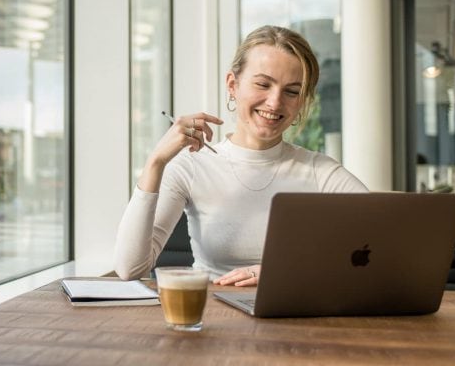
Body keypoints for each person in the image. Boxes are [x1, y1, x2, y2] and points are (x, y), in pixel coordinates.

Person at [114, 25, 367, 286]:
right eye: (263, 84)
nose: (275, 102)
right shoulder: (191, 165)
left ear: (301, 101)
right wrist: (156, 161)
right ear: (233, 85)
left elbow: (384, 241)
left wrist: (282, 270)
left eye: (292, 91)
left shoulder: (319, 171)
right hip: (212, 316)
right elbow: (129, 267)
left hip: (292, 318)